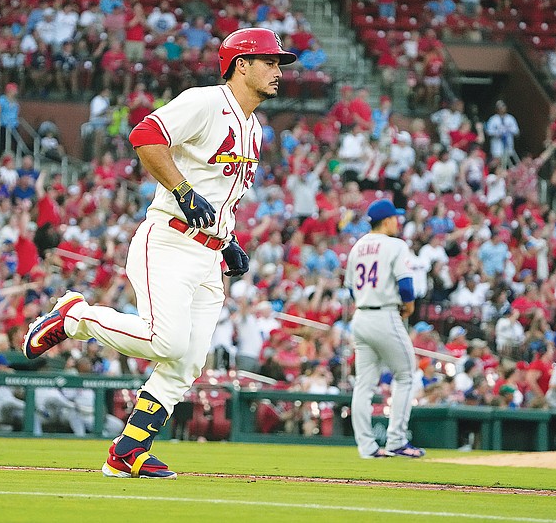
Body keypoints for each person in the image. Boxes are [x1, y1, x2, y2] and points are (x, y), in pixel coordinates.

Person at [22, 28, 296, 479]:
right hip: (168, 240)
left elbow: (218, 195)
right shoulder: (207, 101)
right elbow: (146, 134)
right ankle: (74, 317)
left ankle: (128, 450)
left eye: (279, 62)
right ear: (240, 65)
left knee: (187, 360)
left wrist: (228, 241)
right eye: (268, 61)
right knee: (165, 341)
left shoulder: (254, 127)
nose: (277, 70)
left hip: (208, 255)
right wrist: (182, 191)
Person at [344, 199, 425, 458]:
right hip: (385, 315)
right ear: (387, 220)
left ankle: (367, 447)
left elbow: (350, 289)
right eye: (395, 218)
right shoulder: (396, 245)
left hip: (361, 317)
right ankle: (397, 441)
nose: (397, 221)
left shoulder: (357, 247)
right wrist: (409, 307)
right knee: (405, 375)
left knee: (363, 386)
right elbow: (406, 286)